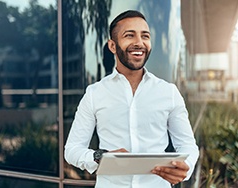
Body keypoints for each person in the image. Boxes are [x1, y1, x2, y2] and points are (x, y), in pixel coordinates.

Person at [64, 10, 199, 188]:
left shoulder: (169, 92)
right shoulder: (94, 93)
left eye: (145, 36)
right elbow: (72, 150)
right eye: (129, 35)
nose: (139, 43)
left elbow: (188, 145)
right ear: (112, 46)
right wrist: (100, 156)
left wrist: (186, 167)